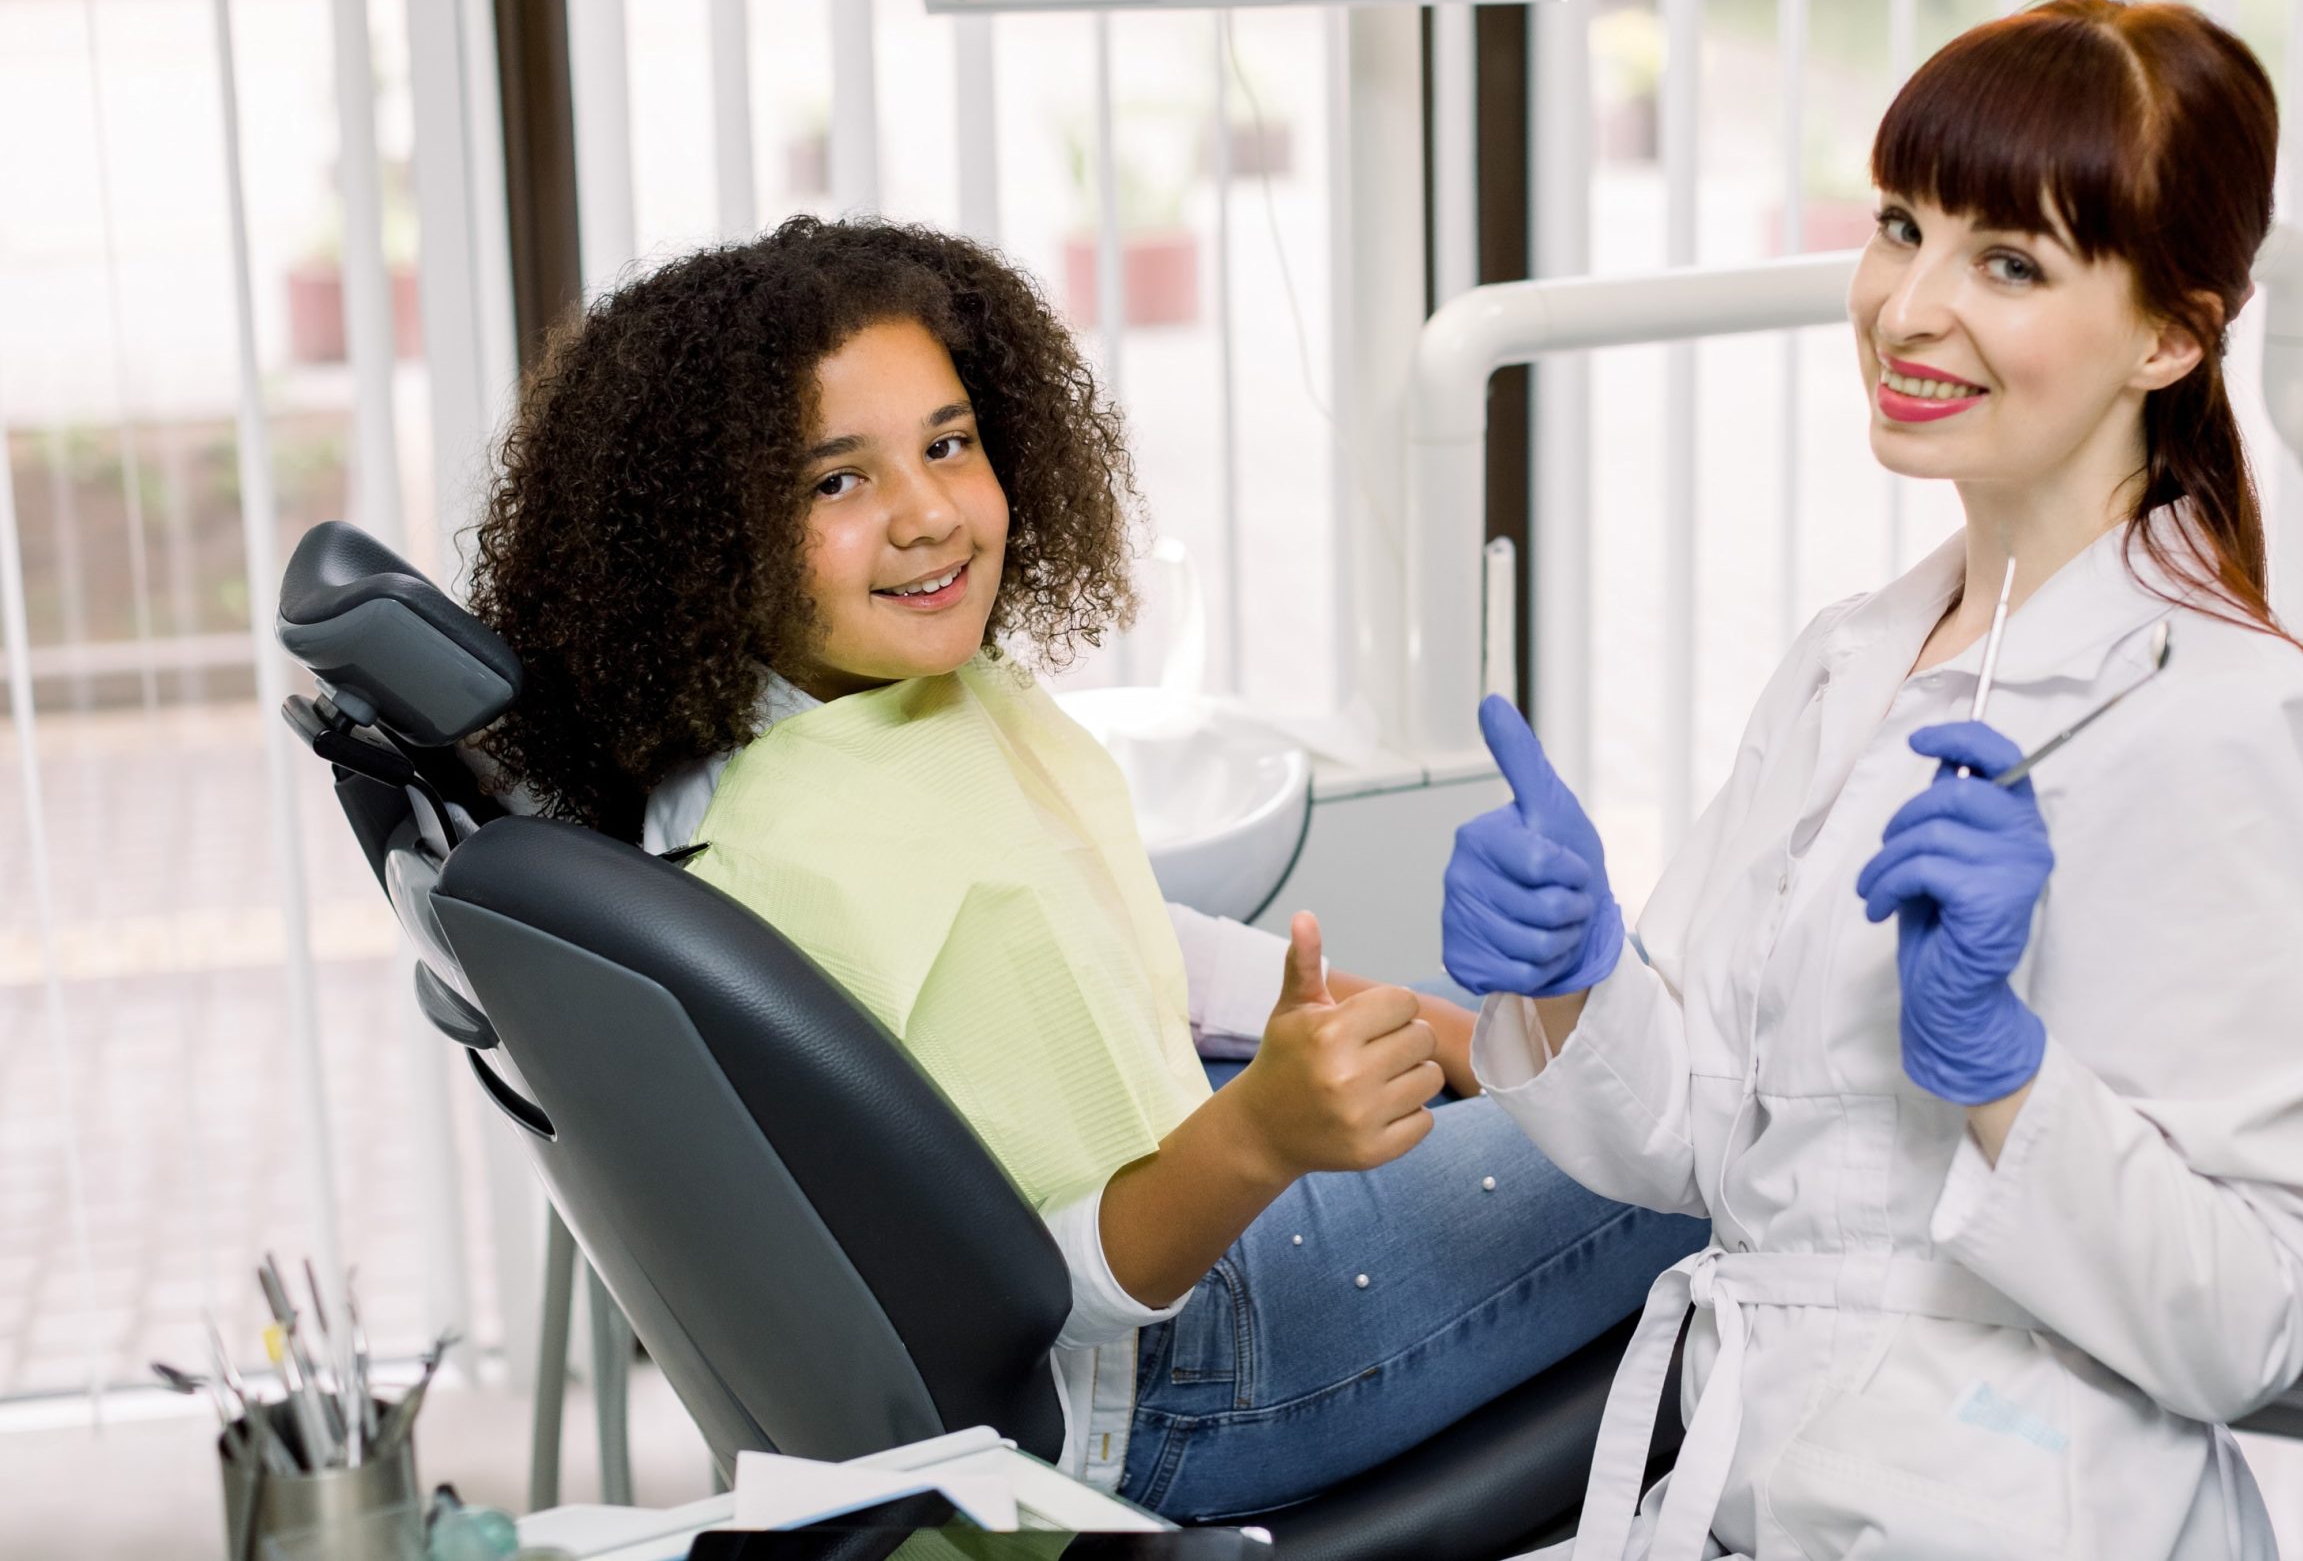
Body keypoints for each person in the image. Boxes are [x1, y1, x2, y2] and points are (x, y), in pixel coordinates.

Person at [467, 216, 1707, 1519]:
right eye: (837, 481)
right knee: (1713, 1127)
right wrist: (1258, 1133)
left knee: (1601, 1081)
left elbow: (1115, 932)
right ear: (702, 540)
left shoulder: (873, 713)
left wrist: (1446, 1033)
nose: (930, 513)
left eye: (948, 444)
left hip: (1169, 1248)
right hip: (1169, 1382)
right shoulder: (786, 879)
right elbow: (1015, 1292)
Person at [1441, 0, 2303, 1559]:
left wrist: (2004, 1071)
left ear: (2171, 331)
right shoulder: (1852, 658)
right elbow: (1701, 1145)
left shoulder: (2228, 721)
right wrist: (1578, 974)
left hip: (2015, 1511)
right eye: (1901, 226)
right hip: (1763, 1482)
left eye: (2008, 262)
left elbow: (2254, 1329)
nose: (1906, 307)